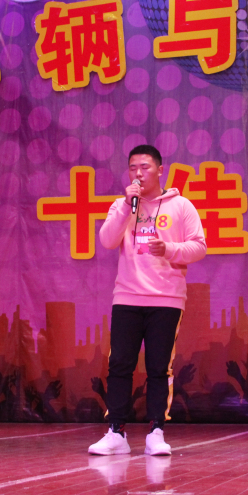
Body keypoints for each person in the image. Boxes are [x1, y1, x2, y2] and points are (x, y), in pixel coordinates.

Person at [89, 145, 206, 456]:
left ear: (160, 170)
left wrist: (169, 249)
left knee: (159, 367)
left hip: (166, 298)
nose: (138, 173)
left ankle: (156, 431)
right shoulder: (122, 205)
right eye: (132, 168)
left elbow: (199, 247)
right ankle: (116, 431)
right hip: (127, 296)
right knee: (119, 364)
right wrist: (126, 207)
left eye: (145, 167)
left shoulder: (181, 206)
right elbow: (107, 240)